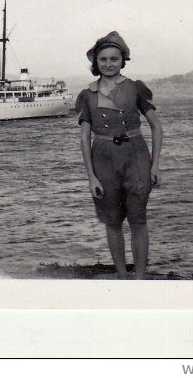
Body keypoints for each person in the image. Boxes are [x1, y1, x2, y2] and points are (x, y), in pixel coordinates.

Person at [76, 31, 163, 279]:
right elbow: (84, 137)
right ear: (96, 63)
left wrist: (155, 165)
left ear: (122, 60)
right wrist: (91, 177)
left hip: (136, 158)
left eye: (114, 59)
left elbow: (156, 126)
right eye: (103, 59)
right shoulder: (87, 95)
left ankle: (140, 278)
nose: (108, 64)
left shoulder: (135, 88)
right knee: (112, 222)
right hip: (103, 161)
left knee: (138, 219)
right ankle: (122, 277)